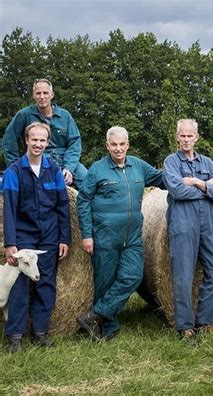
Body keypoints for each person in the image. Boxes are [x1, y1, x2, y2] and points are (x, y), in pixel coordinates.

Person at [75, 126, 165, 341]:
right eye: (113, 144)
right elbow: (83, 200)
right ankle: (108, 329)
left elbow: (162, 178)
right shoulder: (97, 169)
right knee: (104, 282)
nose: (118, 148)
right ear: (107, 146)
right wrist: (87, 235)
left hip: (132, 236)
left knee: (133, 276)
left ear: (128, 145)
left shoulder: (139, 166)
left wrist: (188, 174)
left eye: (121, 144)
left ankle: (94, 315)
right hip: (105, 235)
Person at [2, 122, 71, 352]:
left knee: (46, 282)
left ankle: (40, 332)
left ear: (47, 142)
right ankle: (15, 336)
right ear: (26, 141)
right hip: (24, 236)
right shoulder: (14, 171)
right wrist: (10, 243)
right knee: (20, 284)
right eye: (34, 140)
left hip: (50, 235)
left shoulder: (53, 170)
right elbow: (9, 209)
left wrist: (65, 238)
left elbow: (63, 206)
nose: (38, 144)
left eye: (43, 140)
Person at [164, 119, 213, 343]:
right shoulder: (170, 162)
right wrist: (207, 187)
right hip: (182, 224)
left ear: (197, 137)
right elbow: (178, 191)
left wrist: (197, 183)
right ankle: (185, 327)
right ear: (177, 136)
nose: (186, 139)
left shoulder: (207, 162)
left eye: (190, 136)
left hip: (207, 224)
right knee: (183, 276)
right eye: (182, 135)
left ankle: (203, 321)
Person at [2, 78, 87, 189]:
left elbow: (75, 143)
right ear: (33, 96)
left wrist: (69, 167)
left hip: (64, 158)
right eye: (38, 93)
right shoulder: (24, 115)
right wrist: (14, 165)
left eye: (45, 93)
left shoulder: (65, 115)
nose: (42, 97)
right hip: (37, 157)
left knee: (87, 181)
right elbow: (8, 140)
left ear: (52, 95)